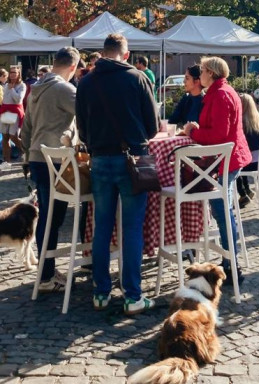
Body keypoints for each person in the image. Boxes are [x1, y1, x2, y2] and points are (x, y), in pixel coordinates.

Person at [77, 33, 158, 314]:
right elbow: (153, 126)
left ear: (104, 52)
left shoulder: (86, 81)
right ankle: (132, 296)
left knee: (102, 227)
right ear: (126, 54)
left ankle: (100, 292)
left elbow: (82, 128)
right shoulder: (137, 78)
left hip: (100, 160)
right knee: (132, 228)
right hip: (131, 159)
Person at [183, 56, 251, 285]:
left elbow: (220, 136)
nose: (199, 73)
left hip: (227, 159)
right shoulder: (220, 92)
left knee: (222, 210)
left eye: (201, 70)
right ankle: (230, 261)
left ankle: (232, 264)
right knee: (223, 208)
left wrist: (193, 132)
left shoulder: (221, 95)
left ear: (210, 73)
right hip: (226, 158)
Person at [21, 47, 80, 293]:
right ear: (73, 67)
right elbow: (88, 115)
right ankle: (46, 275)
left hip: (36, 156)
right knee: (52, 218)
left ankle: (47, 270)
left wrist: (26, 154)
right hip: (55, 160)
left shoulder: (36, 88)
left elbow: (26, 127)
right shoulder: (65, 90)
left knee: (47, 215)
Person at [237, 93, 259, 208]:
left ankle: (243, 193)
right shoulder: (258, 118)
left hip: (252, 161)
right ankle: (247, 190)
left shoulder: (242, 122)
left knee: (234, 165)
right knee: (241, 160)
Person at [0, 66, 26, 167]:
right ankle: (7, 161)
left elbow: (19, 100)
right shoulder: (6, 85)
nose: (12, 74)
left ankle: (26, 152)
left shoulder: (22, 85)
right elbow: (4, 99)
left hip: (15, 113)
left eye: (15, 72)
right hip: (5, 112)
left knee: (13, 136)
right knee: (5, 136)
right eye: (11, 72)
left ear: (18, 74)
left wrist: (12, 90)